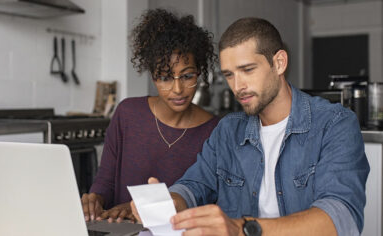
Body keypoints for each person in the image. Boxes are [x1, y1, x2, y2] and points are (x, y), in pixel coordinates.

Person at [132, 17, 370, 236]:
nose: (238, 86)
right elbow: (194, 185)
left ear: (279, 63)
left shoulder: (334, 124)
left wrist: (242, 228)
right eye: (229, 75)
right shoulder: (228, 130)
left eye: (247, 70)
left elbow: (340, 219)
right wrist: (171, 201)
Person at [81, 9, 220, 223]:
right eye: (164, 77)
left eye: (187, 76)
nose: (177, 89)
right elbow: (105, 181)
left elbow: (206, 199)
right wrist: (95, 199)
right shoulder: (127, 114)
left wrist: (138, 208)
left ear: (199, 73)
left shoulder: (215, 131)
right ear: (153, 77)